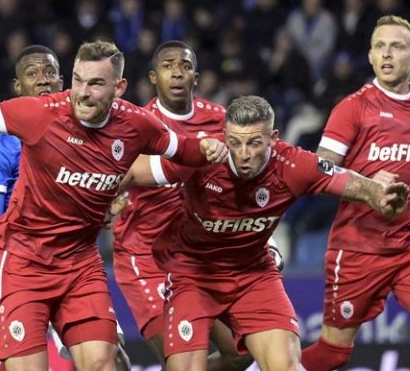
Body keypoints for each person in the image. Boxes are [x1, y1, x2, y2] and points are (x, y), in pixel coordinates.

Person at [0, 41, 228, 371]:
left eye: (96, 84)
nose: (83, 93)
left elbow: (182, 150)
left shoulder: (136, 124)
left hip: (79, 262)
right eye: (78, 80)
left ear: (119, 88)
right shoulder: (35, 114)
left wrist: (207, 150)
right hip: (23, 261)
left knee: (108, 364)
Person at [123, 95, 409, 371]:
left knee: (286, 366)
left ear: (273, 138)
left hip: (253, 276)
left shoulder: (293, 165)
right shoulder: (203, 156)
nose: (244, 154)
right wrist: (102, 199)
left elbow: (343, 179)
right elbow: (133, 173)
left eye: (254, 143)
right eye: (235, 142)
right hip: (192, 274)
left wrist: (377, 195)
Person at [301, 15, 410, 370]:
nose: (387, 54)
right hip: (358, 247)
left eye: (397, 46)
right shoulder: (353, 108)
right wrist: (367, 184)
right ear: (371, 57)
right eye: (380, 47)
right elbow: (318, 172)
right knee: (332, 354)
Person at [112, 41, 283, 370]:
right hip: (145, 256)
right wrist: (109, 200)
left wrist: (269, 242)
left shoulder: (221, 121)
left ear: (196, 76)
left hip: (201, 256)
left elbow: (249, 187)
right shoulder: (137, 126)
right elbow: (114, 176)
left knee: (242, 351)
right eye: (167, 65)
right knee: (187, 359)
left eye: (185, 65)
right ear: (153, 77)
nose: (177, 71)